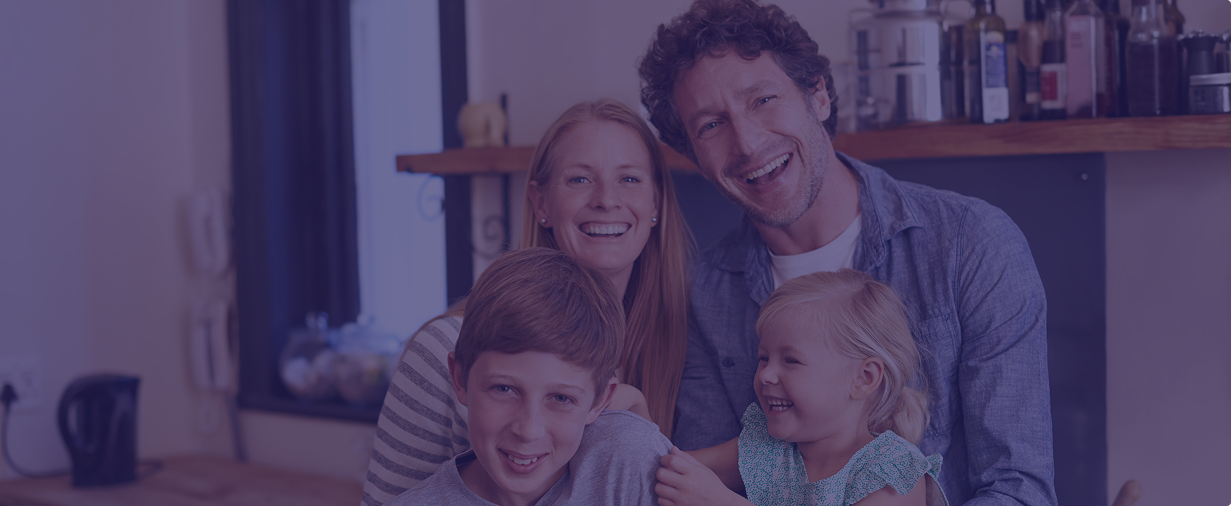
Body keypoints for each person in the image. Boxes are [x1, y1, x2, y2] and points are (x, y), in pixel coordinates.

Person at [638, 1, 1055, 504]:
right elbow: (689, 483)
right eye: (710, 125)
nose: (746, 142)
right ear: (694, 157)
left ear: (818, 96)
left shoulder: (973, 243)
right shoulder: (703, 292)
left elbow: (1017, 490)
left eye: (763, 99)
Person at [362, 99, 693, 505]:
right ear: (540, 203)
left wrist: (636, 413)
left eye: (629, 178)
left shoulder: (678, 344)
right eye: (579, 179)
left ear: (656, 202)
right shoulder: (443, 346)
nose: (607, 199)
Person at [386, 247, 672, 506]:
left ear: (599, 400)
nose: (528, 430)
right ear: (460, 378)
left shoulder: (630, 463)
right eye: (504, 389)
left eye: (561, 398)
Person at [656, 270, 948, 506]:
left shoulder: (895, 474)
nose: (766, 374)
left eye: (791, 360)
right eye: (763, 358)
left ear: (864, 378)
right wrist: (638, 419)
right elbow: (664, 467)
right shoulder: (766, 450)